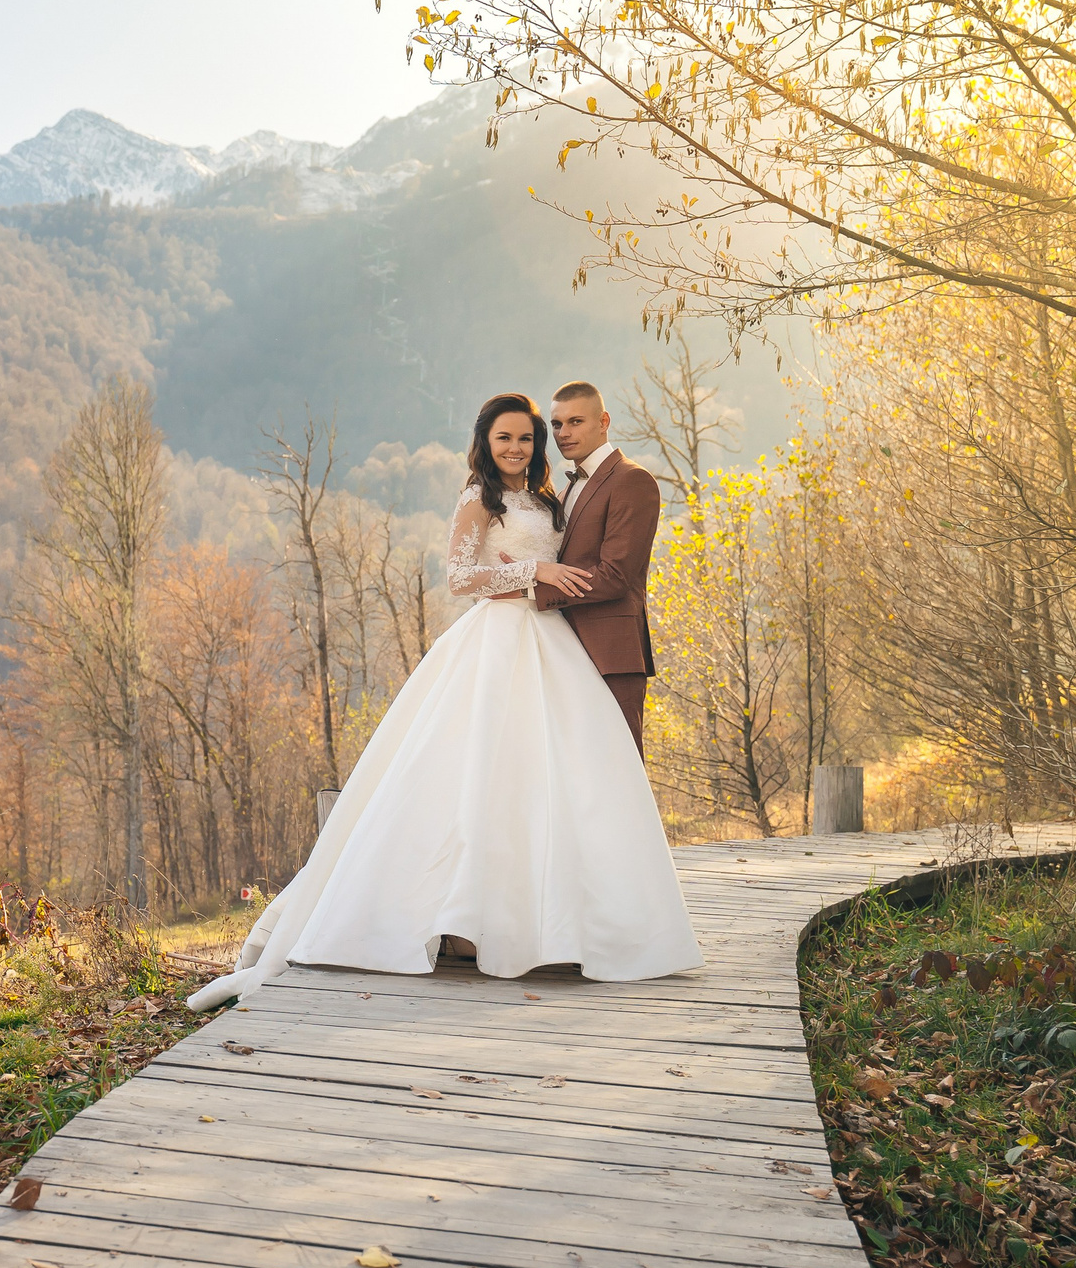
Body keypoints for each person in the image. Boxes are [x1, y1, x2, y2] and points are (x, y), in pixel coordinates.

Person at [185, 392, 701, 1012]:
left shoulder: (549, 498)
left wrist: (535, 576)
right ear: (485, 443)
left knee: (550, 787)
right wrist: (531, 573)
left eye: (528, 437)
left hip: (555, 643)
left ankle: (558, 928)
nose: (519, 447)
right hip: (495, 644)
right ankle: (460, 924)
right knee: (471, 775)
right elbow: (460, 578)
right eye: (506, 437)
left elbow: (592, 568)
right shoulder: (478, 499)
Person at [532, 381, 661, 755]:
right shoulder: (564, 491)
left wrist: (531, 591)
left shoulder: (632, 480)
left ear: (603, 421)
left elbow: (615, 577)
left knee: (618, 766)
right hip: (562, 650)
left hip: (611, 654)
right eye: (557, 424)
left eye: (576, 421)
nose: (564, 433)